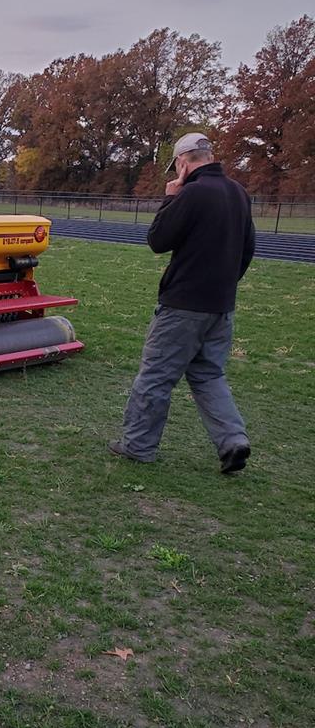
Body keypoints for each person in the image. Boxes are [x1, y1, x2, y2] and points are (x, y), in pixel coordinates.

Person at [109, 132, 255, 475]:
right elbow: (247, 249)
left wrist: (170, 198)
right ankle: (233, 440)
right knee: (209, 375)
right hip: (221, 306)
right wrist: (224, 286)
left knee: (156, 375)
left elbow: (158, 240)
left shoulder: (192, 193)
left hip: (183, 306)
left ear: (183, 162)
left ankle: (138, 445)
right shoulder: (239, 193)